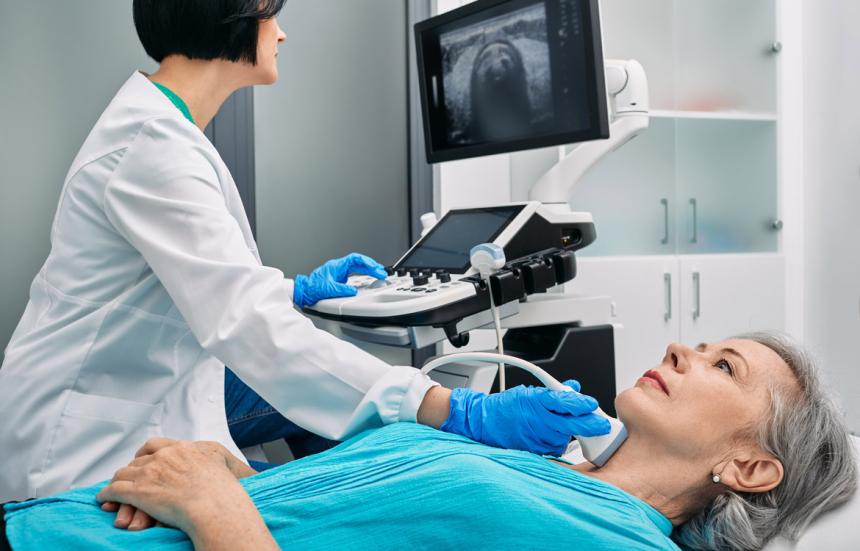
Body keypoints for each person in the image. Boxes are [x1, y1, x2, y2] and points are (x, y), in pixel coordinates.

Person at [0, 0, 610, 503]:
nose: (282, 33)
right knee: (367, 430)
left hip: (141, 383)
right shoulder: (153, 149)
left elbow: (186, 279)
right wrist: (456, 408)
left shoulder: (162, 129)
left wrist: (290, 291)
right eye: (274, 14)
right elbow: (243, 319)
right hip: (81, 434)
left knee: (341, 411)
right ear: (234, 14)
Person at [3, 333, 856, 550]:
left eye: (723, 366)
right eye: (699, 342)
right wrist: (232, 474)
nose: (682, 350)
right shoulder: (560, 485)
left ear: (746, 466)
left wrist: (219, 506)